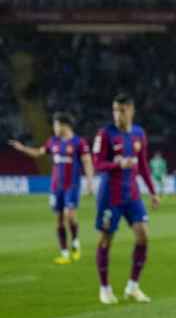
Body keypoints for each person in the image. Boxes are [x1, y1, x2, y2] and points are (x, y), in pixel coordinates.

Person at [92, 93, 160, 304]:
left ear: (131, 110)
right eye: (114, 110)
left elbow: (143, 166)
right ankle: (104, 288)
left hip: (132, 195)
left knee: (143, 236)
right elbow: (97, 164)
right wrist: (117, 165)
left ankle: (133, 287)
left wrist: (153, 191)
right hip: (110, 196)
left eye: (121, 110)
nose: (117, 115)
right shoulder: (104, 134)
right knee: (106, 240)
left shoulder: (139, 134)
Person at [8, 112, 94, 264]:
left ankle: (75, 243)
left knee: (70, 216)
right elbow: (38, 153)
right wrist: (22, 148)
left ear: (64, 125)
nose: (54, 128)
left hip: (72, 186)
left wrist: (89, 182)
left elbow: (87, 161)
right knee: (59, 220)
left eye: (55, 125)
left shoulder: (79, 143)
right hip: (56, 187)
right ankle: (64, 253)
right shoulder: (53, 141)